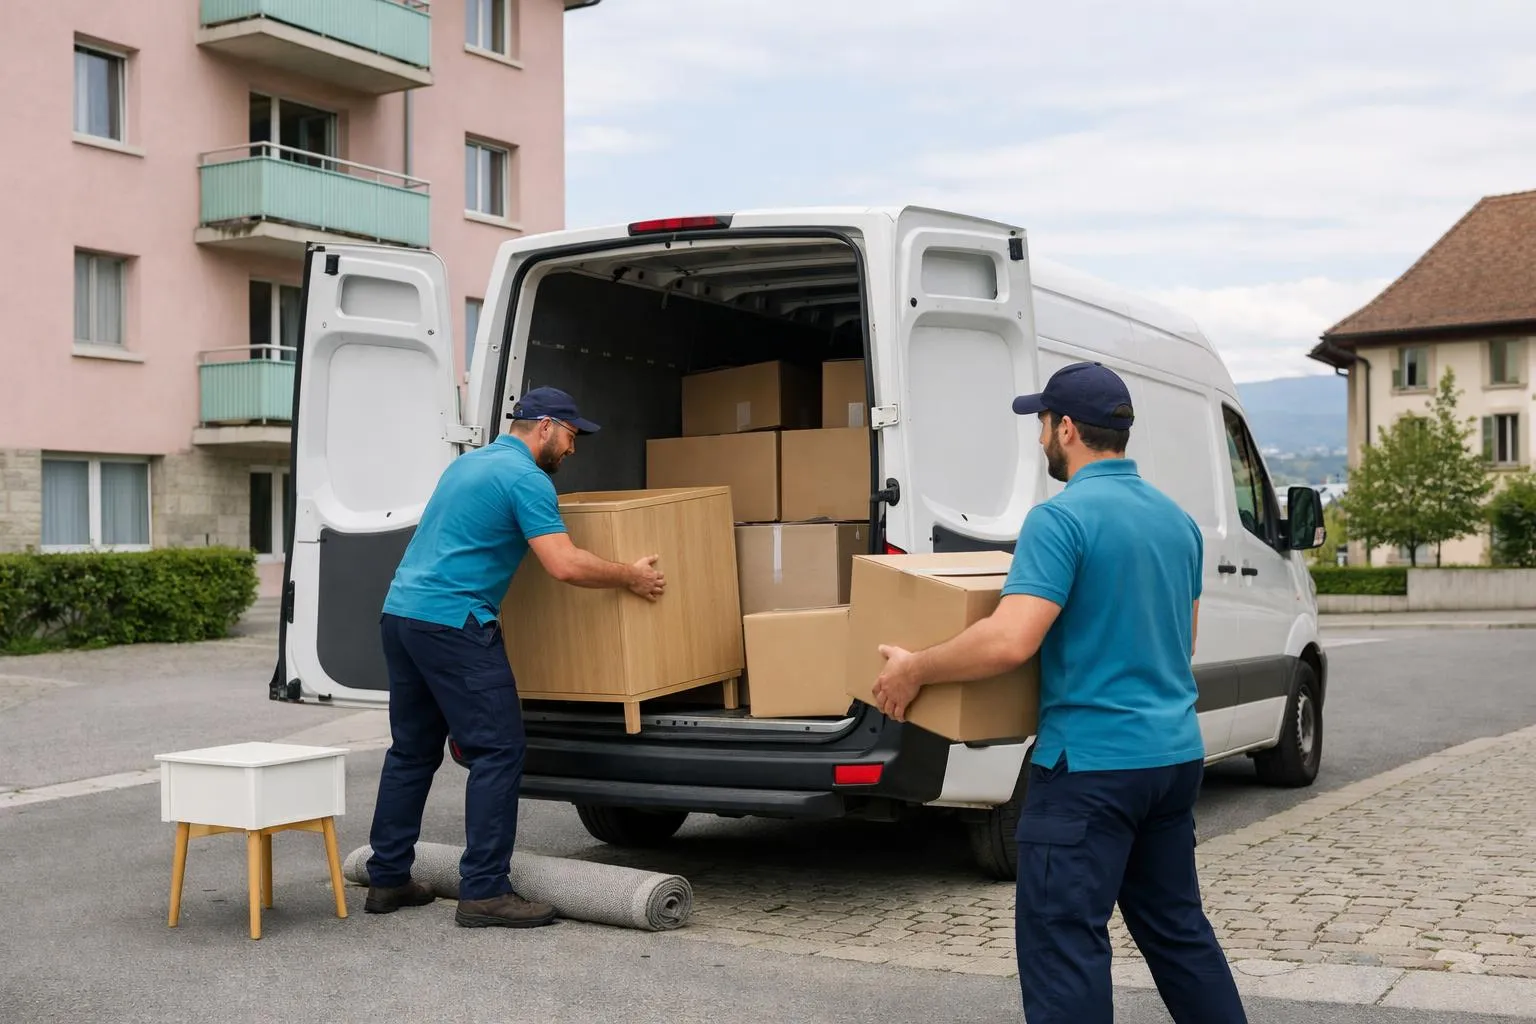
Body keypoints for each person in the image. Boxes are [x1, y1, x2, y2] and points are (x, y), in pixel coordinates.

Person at [870, 362, 1246, 1023]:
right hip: (1171, 762)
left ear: (1066, 428)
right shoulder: (1177, 522)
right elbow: (1180, 643)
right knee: (1180, 937)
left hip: (1089, 774)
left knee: (1064, 947)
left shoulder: (1060, 520)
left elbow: (1011, 641)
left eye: (1042, 423)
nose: (1040, 436)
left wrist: (915, 669)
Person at [363, 386, 667, 929]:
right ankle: (483, 891)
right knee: (498, 750)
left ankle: (387, 878)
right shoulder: (527, 478)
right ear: (546, 426)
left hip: (401, 615)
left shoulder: (467, 465)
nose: (574, 449)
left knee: (411, 752)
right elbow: (564, 565)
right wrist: (631, 576)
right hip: (454, 624)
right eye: (573, 436)